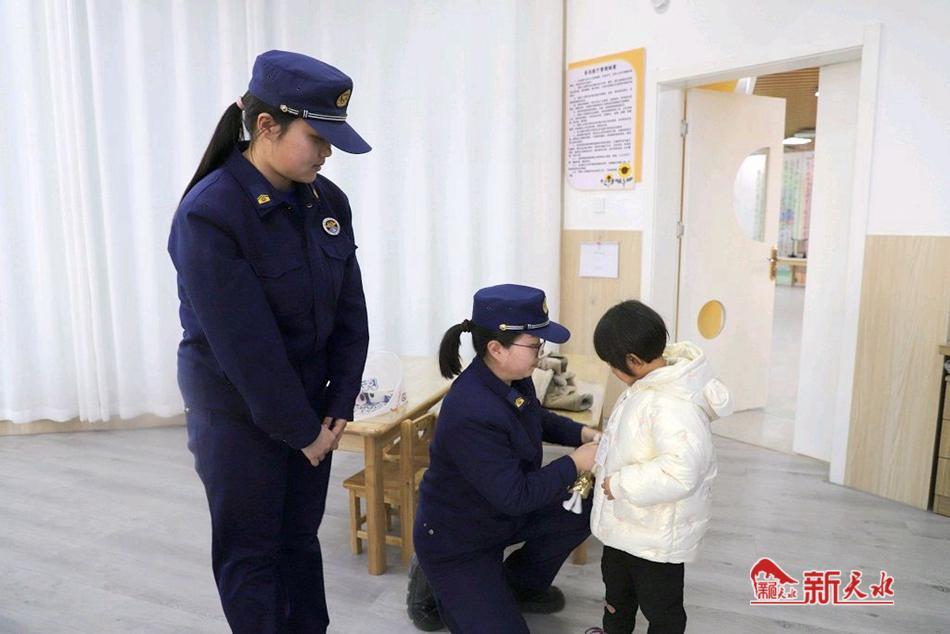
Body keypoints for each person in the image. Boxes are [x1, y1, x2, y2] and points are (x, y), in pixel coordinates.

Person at [167, 50, 371, 633]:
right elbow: (246, 349)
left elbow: (351, 314)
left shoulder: (327, 201)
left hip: (309, 410)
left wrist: (338, 406)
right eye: (318, 138)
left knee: (299, 541)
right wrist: (303, 431)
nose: (328, 153)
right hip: (237, 417)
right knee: (252, 553)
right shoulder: (210, 213)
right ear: (266, 126)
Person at [408, 284, 601, 633]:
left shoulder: (514, 377)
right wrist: (575, 462)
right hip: (460, 540)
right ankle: (432, 581)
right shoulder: (470, 409)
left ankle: (519, 587)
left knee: (585, 504)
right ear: (496, 349)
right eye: (535, 345)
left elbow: (536, 417)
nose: (541, 352)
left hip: (502, 511)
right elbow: (516, 495)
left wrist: (582, 434)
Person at [585, 300, 733, 634]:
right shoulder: (646, 386)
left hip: (657, 536)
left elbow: (681, 472)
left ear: (633, 361)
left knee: (661, 609)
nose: (612, 371)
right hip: (626, 523)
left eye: (612, 364)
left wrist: (619, 484)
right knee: (617, 594)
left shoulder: (672, 403)